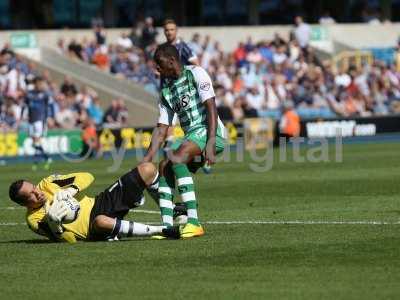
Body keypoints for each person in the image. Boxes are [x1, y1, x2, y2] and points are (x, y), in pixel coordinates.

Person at [143, 43, 227, 238]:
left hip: (210, 132)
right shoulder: (166, 92)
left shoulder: (196, 73)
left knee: (177, 158)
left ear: (172, 61)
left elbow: (211, 107)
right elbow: (162, 129)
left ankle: (194, 222)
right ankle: (167, 228)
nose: (157, 69)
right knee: (164, 166)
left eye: (160, 64)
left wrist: (212, 143)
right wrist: (145, 161)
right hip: (192, 137)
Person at [8, 163, 169, 243]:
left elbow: (87, 176)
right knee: (101, 221)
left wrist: (72, 189)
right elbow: (69, 241)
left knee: (147, 169)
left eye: (34, 187)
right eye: (31, 195)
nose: (38, 192)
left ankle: (172, 211)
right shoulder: (34, 220)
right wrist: (55, 225)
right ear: (24, 204)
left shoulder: (48, 183)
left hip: (100, 202)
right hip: (92, 228)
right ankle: (163, 231)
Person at [22, 77, 52, 171]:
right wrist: (21, 116)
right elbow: (25, 105)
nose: (40, 85)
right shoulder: (29, 94)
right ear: (35, 84)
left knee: (36, 141)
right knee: (34, 143)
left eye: (41, 83)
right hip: (31, 120)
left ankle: (36, 163)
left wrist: (49, 118)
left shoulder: (45, 95)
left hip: (40, 120)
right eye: (39, 83)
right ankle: (47, 158)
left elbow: (48, 107)